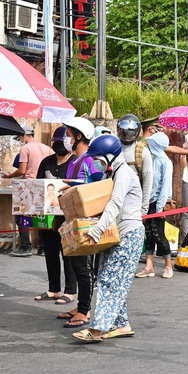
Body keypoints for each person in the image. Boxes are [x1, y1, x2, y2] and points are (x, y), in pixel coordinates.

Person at [71, 134, 144, 343]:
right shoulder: (114, 173)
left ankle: (97, 330)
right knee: (109, 278)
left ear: (110, 156)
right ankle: (121, 325)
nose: (96, 163)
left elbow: (115, 204)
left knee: (109, 281)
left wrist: (95, 232)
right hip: (117, 234)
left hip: (129, 234)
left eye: (98, 158)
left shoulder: (125, 174)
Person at [57, 117, 98, 328]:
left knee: (84, 268)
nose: (67, 138)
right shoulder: (73, 160)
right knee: (73, 263)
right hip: (72, 221)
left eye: (70, 134)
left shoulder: (91, 160)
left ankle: (84, 310)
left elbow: (98, 187)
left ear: (79, 136)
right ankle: (80, 306)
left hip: (87, 222)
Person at [33, 126, 77, 304]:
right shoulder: (47, 162)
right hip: (47, 214)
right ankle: (54, 289)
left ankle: (70, 291)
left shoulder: (75, 162)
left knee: (67, 253)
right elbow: (37, 184)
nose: (58, 145)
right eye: (56, 142)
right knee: (50, 252)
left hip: (67, 215)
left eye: (61, 142)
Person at [2, 125, 53, 257]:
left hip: (29, 185)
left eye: (20, 137)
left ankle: (26, 247)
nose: (20, 140)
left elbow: (22, 171)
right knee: (42, 217)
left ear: (24, 136)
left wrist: (9, 176)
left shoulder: (25, 148)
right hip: (44, 184)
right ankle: (43, 248)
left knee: (22, 216)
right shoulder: (47, 148)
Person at [136, 132, 174, 279]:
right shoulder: (151, 160)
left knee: (159, 235)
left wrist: (160, 207)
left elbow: (165, 186)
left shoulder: (166, 162)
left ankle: (168, 266)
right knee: (149, 235)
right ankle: (149, 266)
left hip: (158, 202)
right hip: (148, 202)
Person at [117, 114, 153, 216]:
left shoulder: (142, 152)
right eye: (123, 129)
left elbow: (147, 181)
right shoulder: (114, 149)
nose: (126, 133)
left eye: (130, 129)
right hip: (115, 202)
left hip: (134, 206)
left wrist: (143, 210)